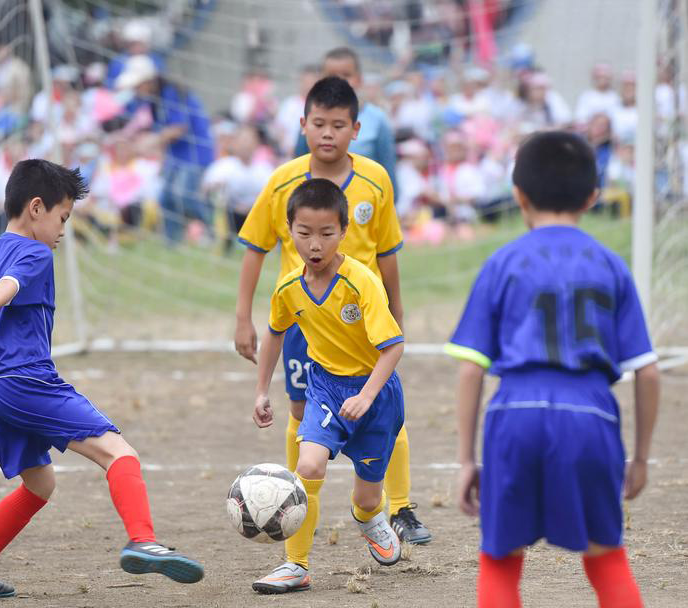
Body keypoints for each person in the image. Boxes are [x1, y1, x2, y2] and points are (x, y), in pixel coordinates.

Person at [0, 159, 204, 600]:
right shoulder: (35, 253)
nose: (63, 229)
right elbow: (7, 287)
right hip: (23, 380)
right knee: (118, 452)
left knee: (39, 484)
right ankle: (143, 540)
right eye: (62, 218)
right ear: (36, 208)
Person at [447, 131, 660, 608]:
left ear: (518, 195)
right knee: (607, 559)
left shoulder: (502, 263)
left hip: (515, 413)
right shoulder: (610, 265)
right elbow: (647, 373)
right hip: (591, 416)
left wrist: (465, 462)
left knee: (500, 561)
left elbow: (471, 370)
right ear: (592, 196)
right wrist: (642, 459)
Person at [235, 76, 431, 545]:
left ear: (355, 129)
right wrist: (243, 317)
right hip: (303, 317)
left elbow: (387, 252)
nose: (327, 133)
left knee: (381, 405)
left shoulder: (375, 179)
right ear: (303, 124)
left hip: (362, 316)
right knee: (301, 410)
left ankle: (399, 507)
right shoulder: (283, 181)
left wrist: (396, 308)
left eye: (338, 125)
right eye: (319, 123)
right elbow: (256, 247)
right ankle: (298, 503)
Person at [250, 178, 405, 593]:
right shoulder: (288, 288)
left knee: (368, 497)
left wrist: (367, 395)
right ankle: (296, 565)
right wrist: (262, 390)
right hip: (324, 389)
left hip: (376, 395)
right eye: (304, 234)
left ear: (344, 232)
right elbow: (274, 333)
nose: (314, 245)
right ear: (289, 230)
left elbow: (393, 347)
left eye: (326, 234)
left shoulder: (362, 282)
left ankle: (368, 517)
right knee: (308, 467)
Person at [115, 54, 214, 245]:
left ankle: (213, 231)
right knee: (166, 197)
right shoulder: (153, 101)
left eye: (137, 85)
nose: (135, 90)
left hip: (195, 154)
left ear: (148, 81)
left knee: (183, 195)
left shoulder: (171, 93)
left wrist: (153, 141)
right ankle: (171, 242)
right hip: (176, 155)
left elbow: (179, 127)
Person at [295, 47, 397, 189]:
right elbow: (298, 166)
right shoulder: (311, 116)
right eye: (332, 76)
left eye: (346, 75)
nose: (339, 81)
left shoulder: (378, 120)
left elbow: (388, 175)